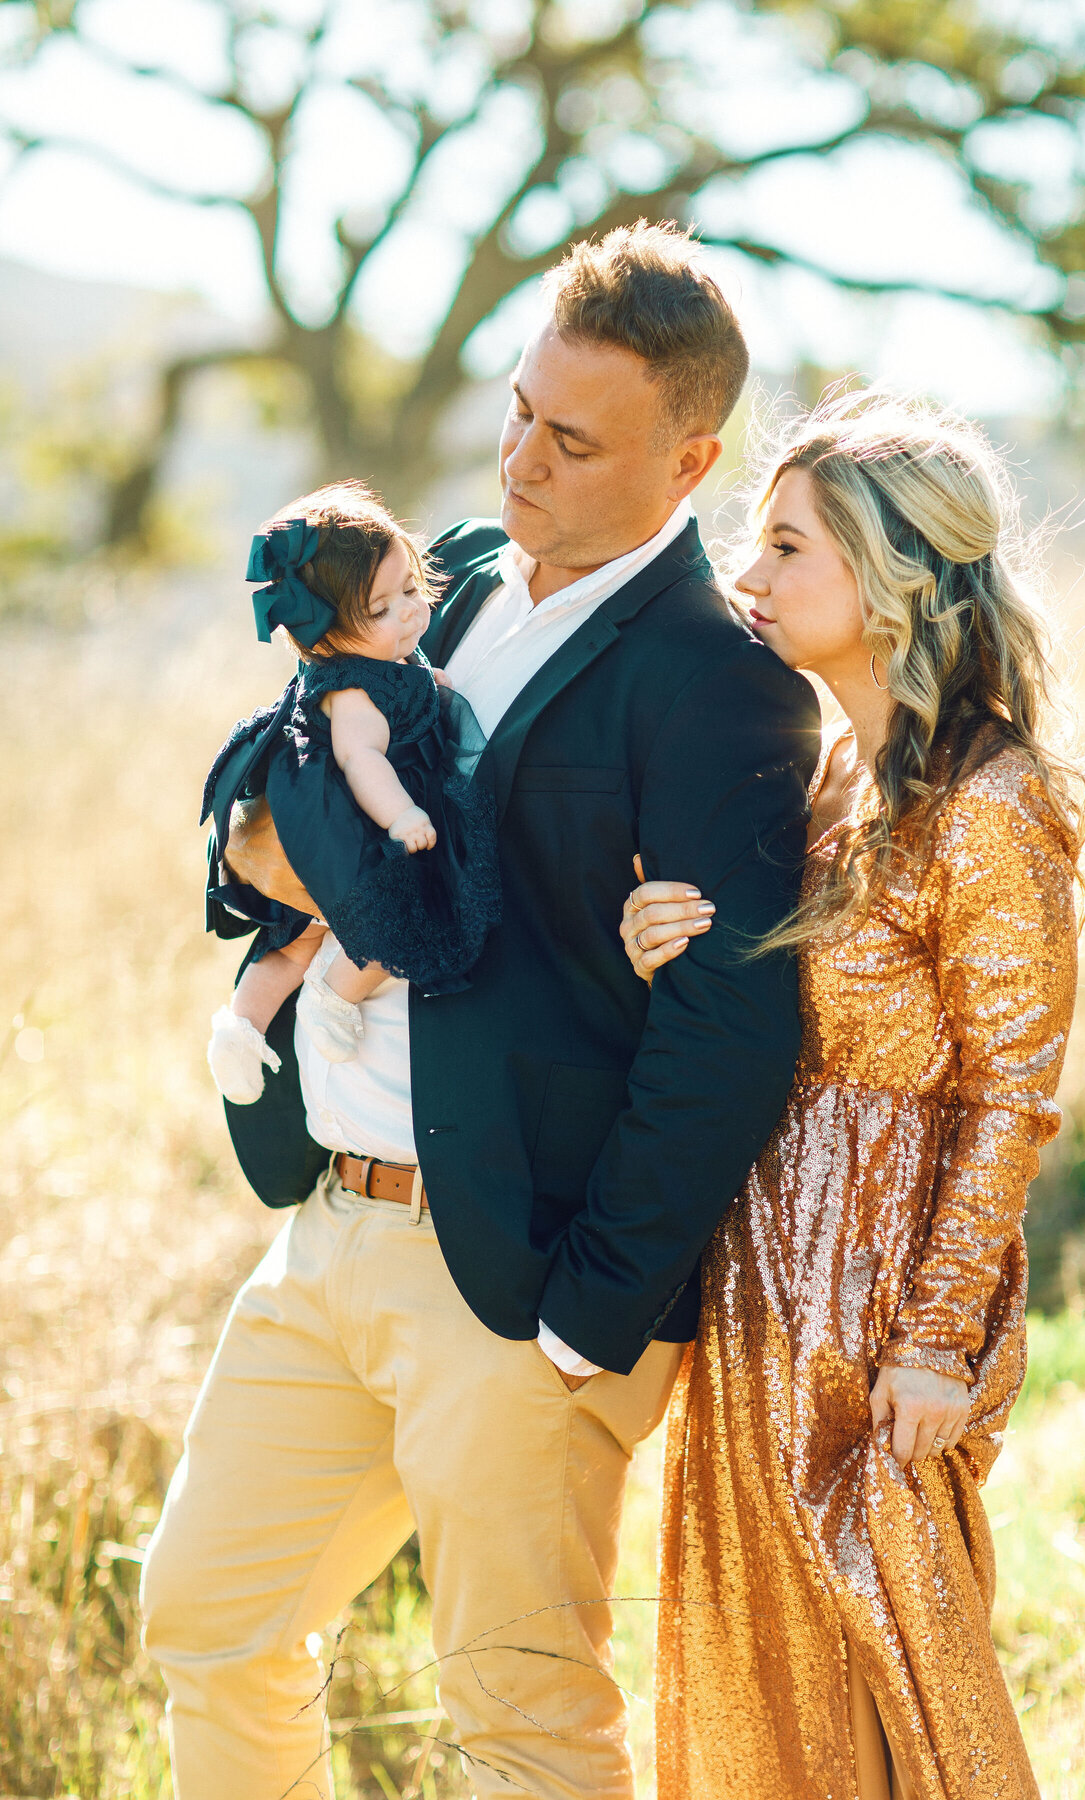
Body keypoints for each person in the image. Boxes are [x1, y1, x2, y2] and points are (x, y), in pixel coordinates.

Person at [138, 221, 821, 1800]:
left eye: (571, 441)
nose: (519, 458)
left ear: (689, 456)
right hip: (328, 1228)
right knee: (207, 1619)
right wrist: (254, 858)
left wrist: (591, 1313)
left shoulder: (723, 687)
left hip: (518, 1285)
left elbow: (731, 1034)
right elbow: (283, 774)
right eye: (519, 409)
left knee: (518, 1725)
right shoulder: (430, 584)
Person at [622, 389, 1085, 1799]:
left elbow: (1010, 1095)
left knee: (898, 1688)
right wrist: (667, 953)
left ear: (888, 577)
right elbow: (785, 1024)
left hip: (886, 1297)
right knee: (772, 1677)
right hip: (764, 1277)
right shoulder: (833, 776)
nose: (747, 577)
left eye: (786, 548)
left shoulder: (991, 804)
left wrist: (939, 1340)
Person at [203, 483, 501, 1105]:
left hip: (325, 823)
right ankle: (332, 998)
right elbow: (359, 758)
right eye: (384, 608)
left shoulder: (383, 661)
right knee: (400, 920)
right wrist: (404, 815)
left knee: (297, 935)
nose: (412, 613)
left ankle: (241, 1025)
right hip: (357, 825)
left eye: (412, 590)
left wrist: (432, 682)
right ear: (328, 635)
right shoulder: (356, 694)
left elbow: (419, 685)